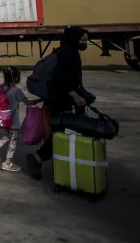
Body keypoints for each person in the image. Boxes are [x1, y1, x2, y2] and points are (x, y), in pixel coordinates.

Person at [26, 26, 90, 180]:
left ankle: (56, 159)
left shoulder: (63, 51)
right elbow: (61, 79)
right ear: (74, 39)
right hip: (62, 101)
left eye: (87, 40)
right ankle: (39, 157)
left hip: (57, 100)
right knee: (65, 131)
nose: (85, 43)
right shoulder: (69, 54)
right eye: (83, 40)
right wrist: (76, 96)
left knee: (64, 131)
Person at [0, 67, 42, 172]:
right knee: (13, 142)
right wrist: (41, 99)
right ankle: (7, 163)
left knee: (7, 136)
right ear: (15, 78)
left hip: (4, 120)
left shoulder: (1, 88)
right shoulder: (16, 91)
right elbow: (28, 103)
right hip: (13, 122)